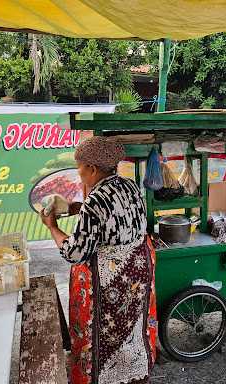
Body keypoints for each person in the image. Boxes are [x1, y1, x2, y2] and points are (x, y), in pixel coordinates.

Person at [40, 136, 157, 384]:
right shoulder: (129, 186)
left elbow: (74, 252)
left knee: (105, 334)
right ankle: (133, 373)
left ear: (92, 168)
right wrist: (77, 208)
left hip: (111, 280)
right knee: (131, 329)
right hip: (137, 271)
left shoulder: (94, 201)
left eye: (79, 166)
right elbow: (113, 214)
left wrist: (52, 227)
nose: (78, 172)